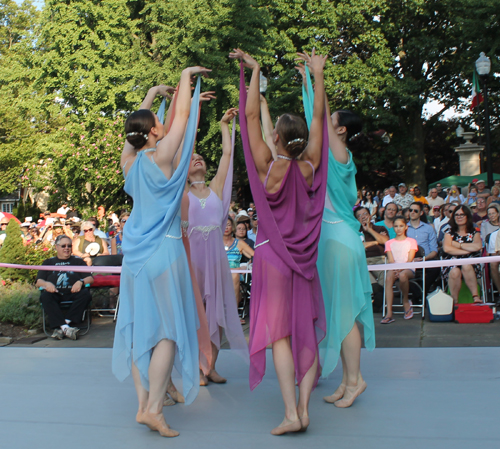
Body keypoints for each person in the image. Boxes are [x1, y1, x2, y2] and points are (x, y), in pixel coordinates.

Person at [232, 47, 327, 435]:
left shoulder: (268, 167)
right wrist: (318, 75)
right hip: (304, 261)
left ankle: (291, 413)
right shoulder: (310, 164)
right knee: (305, 329)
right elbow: (319, 116)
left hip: (272, 259)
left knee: (282, 338)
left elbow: (250, 114)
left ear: (279, 137)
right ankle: (304, 408)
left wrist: (254, 71)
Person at [112, 68, 209, 438]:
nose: (164, 123)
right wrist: (185, 78)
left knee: (139, 330)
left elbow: (132, 131)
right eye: (158, 121)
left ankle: (143, 404)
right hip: (164, 253)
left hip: (135, 255)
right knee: (168, 332)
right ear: (153, 131)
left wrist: (152, 95)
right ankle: (153, 408)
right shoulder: (162, 156)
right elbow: (182, 117)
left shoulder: (130, 162)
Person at [300, 75, 375, 408]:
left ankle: (355, 380)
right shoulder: (327, 154)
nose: (324, 123)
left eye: (332, 123)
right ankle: (347, 380)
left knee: (345, 314)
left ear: (342, 131)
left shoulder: (341, 154)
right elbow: (313, 115)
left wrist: (318, 79)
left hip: (341, 242)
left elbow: (320, 114)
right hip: (332, 241)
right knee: (339, 315)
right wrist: (306, 82)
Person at [187, 108, 248, 385]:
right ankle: (196, 367)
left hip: (214, 260)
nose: (197, 158)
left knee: (217, 313)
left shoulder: (215, 187)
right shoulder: (181, 192)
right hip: (191, 261)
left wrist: (224, 125)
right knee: (194, 314)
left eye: (200, 157)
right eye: (192, 157)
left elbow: (227, 154)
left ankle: (211, 366)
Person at [36, 235, 94, 340]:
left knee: (86, 295)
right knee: (45, 297)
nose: (66, 248)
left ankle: (62, 327)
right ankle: (66, 328)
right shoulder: (48, 262)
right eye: (63, 246)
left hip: (73, 293)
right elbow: (38, 281)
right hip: (55, 293)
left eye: (69, 246)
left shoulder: (78, 262)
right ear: (57, 247)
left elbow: (90, 278)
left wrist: (81, 282)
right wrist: (46, 284)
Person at [380, 216, 418, 324]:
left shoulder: (411, 241)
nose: (399, 229)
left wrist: (400, 269)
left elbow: (410, 259)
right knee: (388, 278)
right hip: (394, 267)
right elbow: (391, 259)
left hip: (407, 267)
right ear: (393, 227)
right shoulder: (389, 243)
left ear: (406, 227)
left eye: (401, 226)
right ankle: (389, 312)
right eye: (396, 226)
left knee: (403, 276)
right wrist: (396, 269)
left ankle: (405, 301)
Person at [442, 205, 483, 304]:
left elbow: (477, 247)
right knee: (455, 271)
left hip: (471, 264)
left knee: (466, 265)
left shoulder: (474, 232)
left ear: (467, 216)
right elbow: (447, 248)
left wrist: (458, 245)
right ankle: (454, 301)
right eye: (456, 215)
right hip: (452, 263)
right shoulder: (448, 232)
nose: (459, 217)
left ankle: (475, 296)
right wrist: (468, 250)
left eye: (462, 214)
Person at [223, 217, 254, 318]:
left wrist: (249, 263)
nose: (226, 227)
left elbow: (255, 256)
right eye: (223, 224)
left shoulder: (239, 243)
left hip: (235, 275)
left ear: (232, 227)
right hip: (219, 273)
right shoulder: (215, 243)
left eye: (228, 224)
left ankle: (233, 314)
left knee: (235, 276)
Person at [356, 207, 389, 286]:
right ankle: (376, 290)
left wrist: (369, 230)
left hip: (380, 259)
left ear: (370, 216)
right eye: (359, 216)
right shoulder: (356, 231)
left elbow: (386, 241)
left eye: (365, 214)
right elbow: (360, 246)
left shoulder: (380, 228)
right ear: (357, 220)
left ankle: (378, 293)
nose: (363, 217)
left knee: (386, 275)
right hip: (363, 261)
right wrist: (376, 242)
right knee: (364, 277)